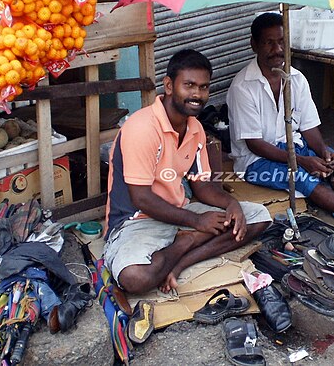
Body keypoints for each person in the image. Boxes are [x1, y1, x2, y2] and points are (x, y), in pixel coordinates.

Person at [104, 49, 272, 295]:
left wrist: (231, 204)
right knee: (135, 278)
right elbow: (141, 198)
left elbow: (202, 186)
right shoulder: (142, 128)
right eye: (189, 85)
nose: (197, 95)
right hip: (137, 221)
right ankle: (186, 242)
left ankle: (182, 259)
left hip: (180, 212)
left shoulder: (195, 129)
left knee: (258, 216)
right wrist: (196, 222)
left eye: (204, 87)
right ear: (169, 85)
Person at [227, 13, 334, 222]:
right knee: (300, 176)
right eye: (269, 43)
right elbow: (255, 144)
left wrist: (322, 153)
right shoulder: (243, 87)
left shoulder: (296, 78)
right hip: (255, 162)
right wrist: (302, 161)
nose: (278, 50)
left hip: (293, 147)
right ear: (254, 45)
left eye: (282, 42)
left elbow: (309, 127)